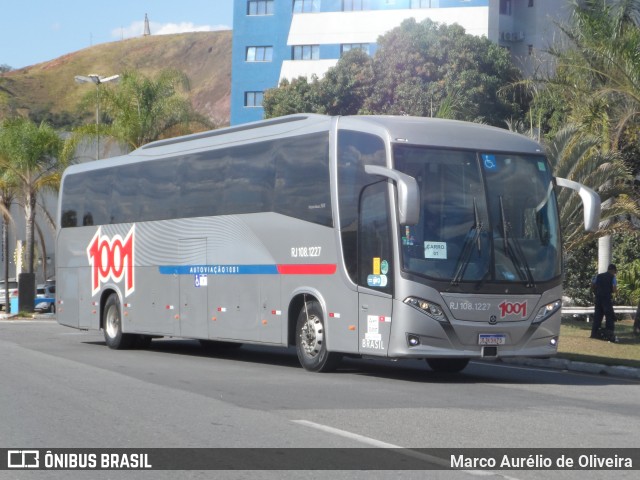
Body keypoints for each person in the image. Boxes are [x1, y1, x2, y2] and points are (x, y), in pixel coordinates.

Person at [591, 264, 619, 342]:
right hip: (606, 299)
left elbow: (593, 285)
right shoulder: (612, 277)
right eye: (615, 272)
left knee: (597, 316)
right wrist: (615, 292)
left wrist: (596, 291)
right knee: (609, 316)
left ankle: (594, 334)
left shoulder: (598, 276)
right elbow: (614, 289)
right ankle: (609, 334)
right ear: (613, 270)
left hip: (598, 298)